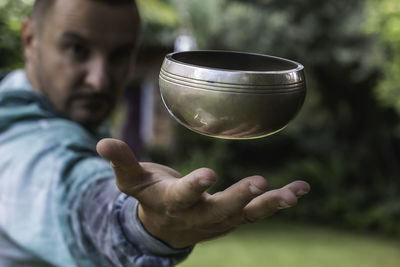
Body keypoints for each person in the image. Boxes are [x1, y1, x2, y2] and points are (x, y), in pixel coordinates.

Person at [0, 0, 311, 266]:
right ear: (29, 39)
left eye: (120, 55)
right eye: (77, 49)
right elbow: (76, 195)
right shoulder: (22, 141)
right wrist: (139, 224)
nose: (99, 79)